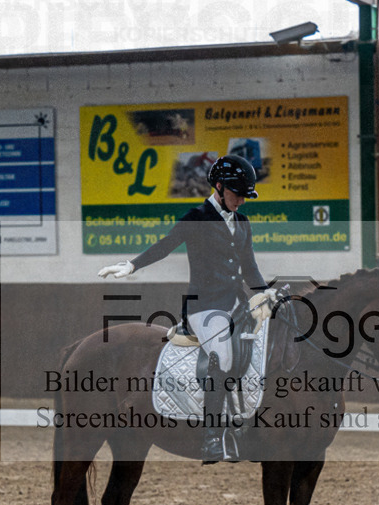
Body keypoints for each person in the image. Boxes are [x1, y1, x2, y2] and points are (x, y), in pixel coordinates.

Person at [98, 154, 274, 462]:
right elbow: (166, 245)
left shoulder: (242, 223)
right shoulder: (197, 218)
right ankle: (212, 437)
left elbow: (250, 268)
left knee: (262, 347)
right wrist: (132, 265)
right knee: (222, 354)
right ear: (219, 187)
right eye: (237, 194)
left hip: (236, 305)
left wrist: (265, 293)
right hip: (204, 307)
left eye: (246, 195)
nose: (242, 201)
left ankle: (246, 424)